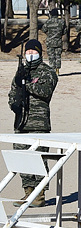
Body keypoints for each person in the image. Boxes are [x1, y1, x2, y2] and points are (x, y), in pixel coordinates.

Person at [8, 40, 58, 207]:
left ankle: (40, 194)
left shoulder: (47, 72)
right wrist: (13, 103)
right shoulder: (21, 71)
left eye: (33, 51)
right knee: (22, 159)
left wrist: (27, 85)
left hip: (38, 123)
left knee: (38, 159)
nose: (30, 54)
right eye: (27, 52)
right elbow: (13, 90)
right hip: (21, 122)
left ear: (39, 53)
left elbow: (45, 91)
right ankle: (28, 192)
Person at [42, 9, 66, 74]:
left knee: (51, 56)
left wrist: (49, 34)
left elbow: (43, 29)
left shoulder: (48, 22)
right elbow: (64, 31)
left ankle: (52, 69)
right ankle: (57, 69)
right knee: (58, 56)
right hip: (58, 41)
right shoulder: (61, 22)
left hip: (50, 42)